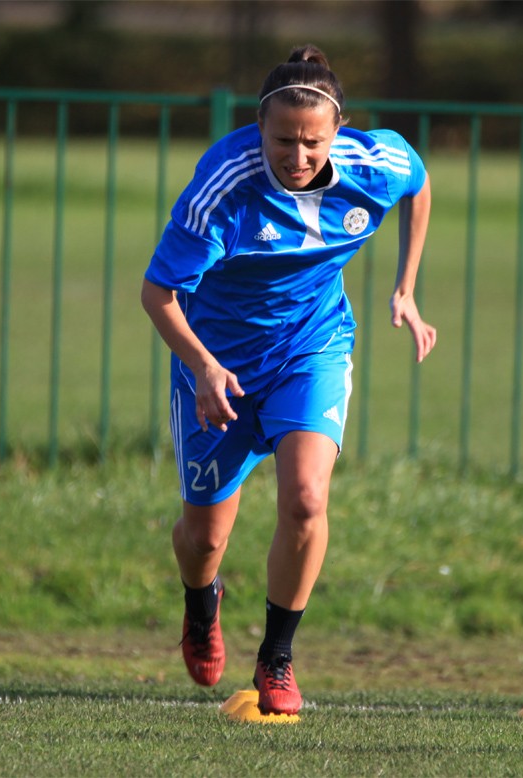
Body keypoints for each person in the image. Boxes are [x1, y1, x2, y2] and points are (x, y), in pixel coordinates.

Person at [140, 44, 436, 716]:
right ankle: (201, 601)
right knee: (203, 538)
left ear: (338, 133)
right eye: (282, 140)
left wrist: (406, 287)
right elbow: (158, 293)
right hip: (217, 366)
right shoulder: (224, 185)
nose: (297, 157)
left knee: (305, 499)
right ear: (259, 127)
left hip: (312, 348)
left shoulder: (372, 163)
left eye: (312, 142)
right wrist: (203, 366)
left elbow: (418, 182)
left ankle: (276, 657)